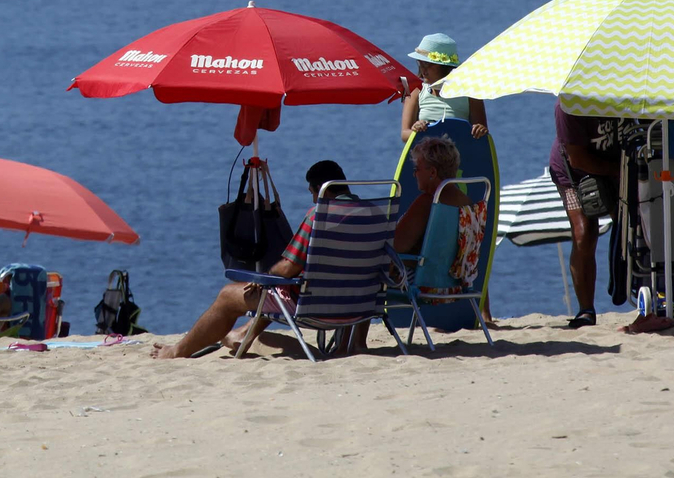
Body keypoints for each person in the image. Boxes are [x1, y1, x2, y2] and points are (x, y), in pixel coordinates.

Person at [151, 143, 469, 359]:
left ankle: (176, 353)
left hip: (317, 307)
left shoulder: (318, 215)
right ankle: (242, 336)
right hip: (361, 305)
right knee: (286, 284)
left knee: (229, 295)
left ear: (317, 189)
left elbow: (288, 268)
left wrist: (262, 277)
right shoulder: (375, 214)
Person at [548, 104, 621, 329]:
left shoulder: (625, 92)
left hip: (614, 164)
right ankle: (586, 310)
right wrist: (618, 169)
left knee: (631, 227)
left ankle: (636, 294)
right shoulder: (568, 104)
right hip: (572, 172)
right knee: (584, 235)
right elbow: (577, 159)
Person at [400, 33, 489, 142]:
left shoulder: (470, 92)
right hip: (425, 156)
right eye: (420, 63)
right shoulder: (415, 90)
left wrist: (480, 130)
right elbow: (405, 134)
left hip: (458, 156)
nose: (423, 69)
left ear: (444, 67)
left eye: (428, 64)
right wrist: (415, 130)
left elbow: (482, 135)